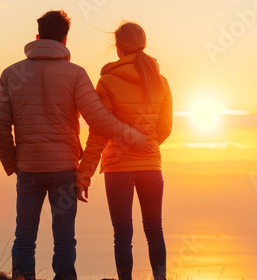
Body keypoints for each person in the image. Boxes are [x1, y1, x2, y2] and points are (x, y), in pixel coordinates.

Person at [0, 11, 147, 280]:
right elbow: (99, 120)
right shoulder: (75, 74)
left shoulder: (11, 74)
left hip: (28, 168)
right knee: (64, 240)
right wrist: (135, 136)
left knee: (24, 237)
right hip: (64, 168)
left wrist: (13, 162)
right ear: (65, 39)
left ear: (37, 36)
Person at [76, 22, 172, 280]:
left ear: (118, 48)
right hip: (151, 166)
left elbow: (98, 132)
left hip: (118, 168)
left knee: (122, 235)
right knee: (155, 230)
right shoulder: (160, 81)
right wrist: (146, 148)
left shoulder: (107, 81)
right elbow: (165, 128)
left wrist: (84, 174)